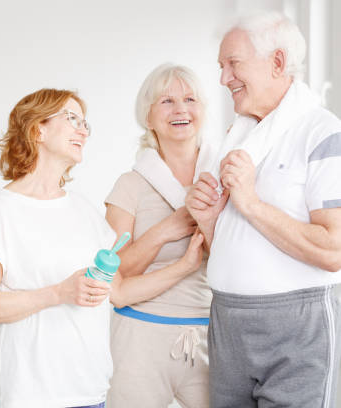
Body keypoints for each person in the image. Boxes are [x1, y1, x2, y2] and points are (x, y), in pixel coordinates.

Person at [185, 11, 341, 407]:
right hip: (227, 323)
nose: (223, 79)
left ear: (277, 62)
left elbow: (332, 249)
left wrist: (250, 203)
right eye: (221, 66)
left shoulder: (322, 132)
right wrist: (209, 220)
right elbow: (236, 246)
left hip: (295, 325)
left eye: (233, 63)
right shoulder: (238, 136)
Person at [0, 88, 116, 408]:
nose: (83, 130)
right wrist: (58, 293)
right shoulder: (0, 210)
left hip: (90, 391)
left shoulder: (85, 211)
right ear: (37, 129)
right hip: (32, 395)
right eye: (72, 119)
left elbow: (117, 290)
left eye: (85, 124)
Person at [105, 64, 211, 407]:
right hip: (140, 338)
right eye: (166, 101)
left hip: (211, 338)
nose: (180, 109)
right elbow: (115, 273)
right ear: (148, 117)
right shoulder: (130, 186)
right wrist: (165, 230)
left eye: (189, 99)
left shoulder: (222, 177)